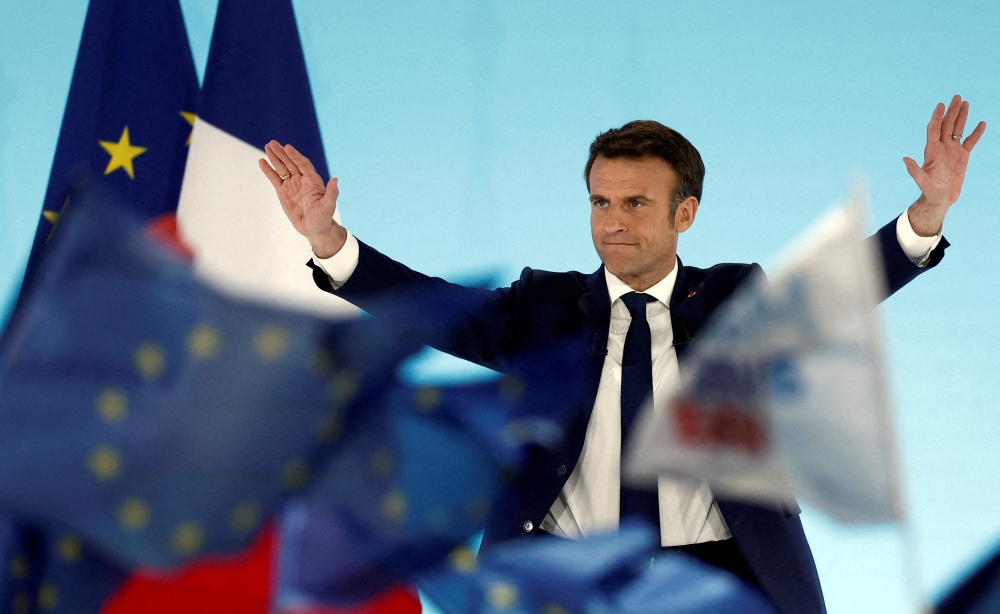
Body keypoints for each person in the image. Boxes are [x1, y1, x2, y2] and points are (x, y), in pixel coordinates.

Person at [259, 96, 986, 614]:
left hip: (718, 574)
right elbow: (433, 309)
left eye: (636, 204)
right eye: (601, 203)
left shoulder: (736, 299)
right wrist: (329, 241)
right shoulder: (540, 309)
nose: (612, 223)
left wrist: (924, 219)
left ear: (685, 214)